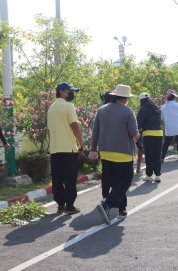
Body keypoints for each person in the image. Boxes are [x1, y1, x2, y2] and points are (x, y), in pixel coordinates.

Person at [90, 84, 140, 223]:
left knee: (116, 183)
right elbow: (134, 134)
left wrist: (93, 149)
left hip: (105, 152)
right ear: (126, 98)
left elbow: (95, 131)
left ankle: (122, 209)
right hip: (123, 152)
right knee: (125, 182)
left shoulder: (102, 110)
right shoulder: (128, 111)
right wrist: (138, 136)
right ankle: (107, 205)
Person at [48, 82, 85, 214]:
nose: (71, 94)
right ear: (62, 92)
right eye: (70, 91)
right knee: (70, 178)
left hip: (55, 149)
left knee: (57, 178)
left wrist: (53, 144)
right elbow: (75, 127)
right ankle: (69, 205)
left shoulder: (51, 108)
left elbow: (49, 131)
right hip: (68, 149)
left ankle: (60, 205)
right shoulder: (68, 106)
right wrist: (81, 144)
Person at [137, 92, 163, 182]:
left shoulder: (143, 109)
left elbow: (138, 123)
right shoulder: (157, 108)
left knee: (149, 155)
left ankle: (149, 175)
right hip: (159, 133)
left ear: (141, 100)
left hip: (148, 134)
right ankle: (158, 175)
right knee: (157, 155)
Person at [161, 90, 178, 162]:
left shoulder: (163, 107)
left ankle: (162, 158)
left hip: (169, 127)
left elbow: (162, 118)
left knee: (166, 143)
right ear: (174, 97)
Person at [99, 90, 114, 201]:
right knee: (116, 172)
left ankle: (105, 196)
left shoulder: (101, 110)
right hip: (116, 146)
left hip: (103, 146)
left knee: (105, 171)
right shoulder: (118, 109)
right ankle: (115, 195)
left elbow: (96, 130)